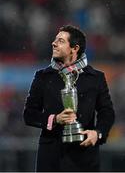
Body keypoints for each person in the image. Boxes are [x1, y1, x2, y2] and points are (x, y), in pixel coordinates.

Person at [23, 25, 115, 172]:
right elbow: (29, 115)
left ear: (74, 48)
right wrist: (55, 119)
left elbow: (107, 112)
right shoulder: (43, 77)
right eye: (55, 40)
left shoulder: (96, 78)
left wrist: (98, 133)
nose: (54, 43)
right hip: (51, 159)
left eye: (60, 41)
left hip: (84, 159)